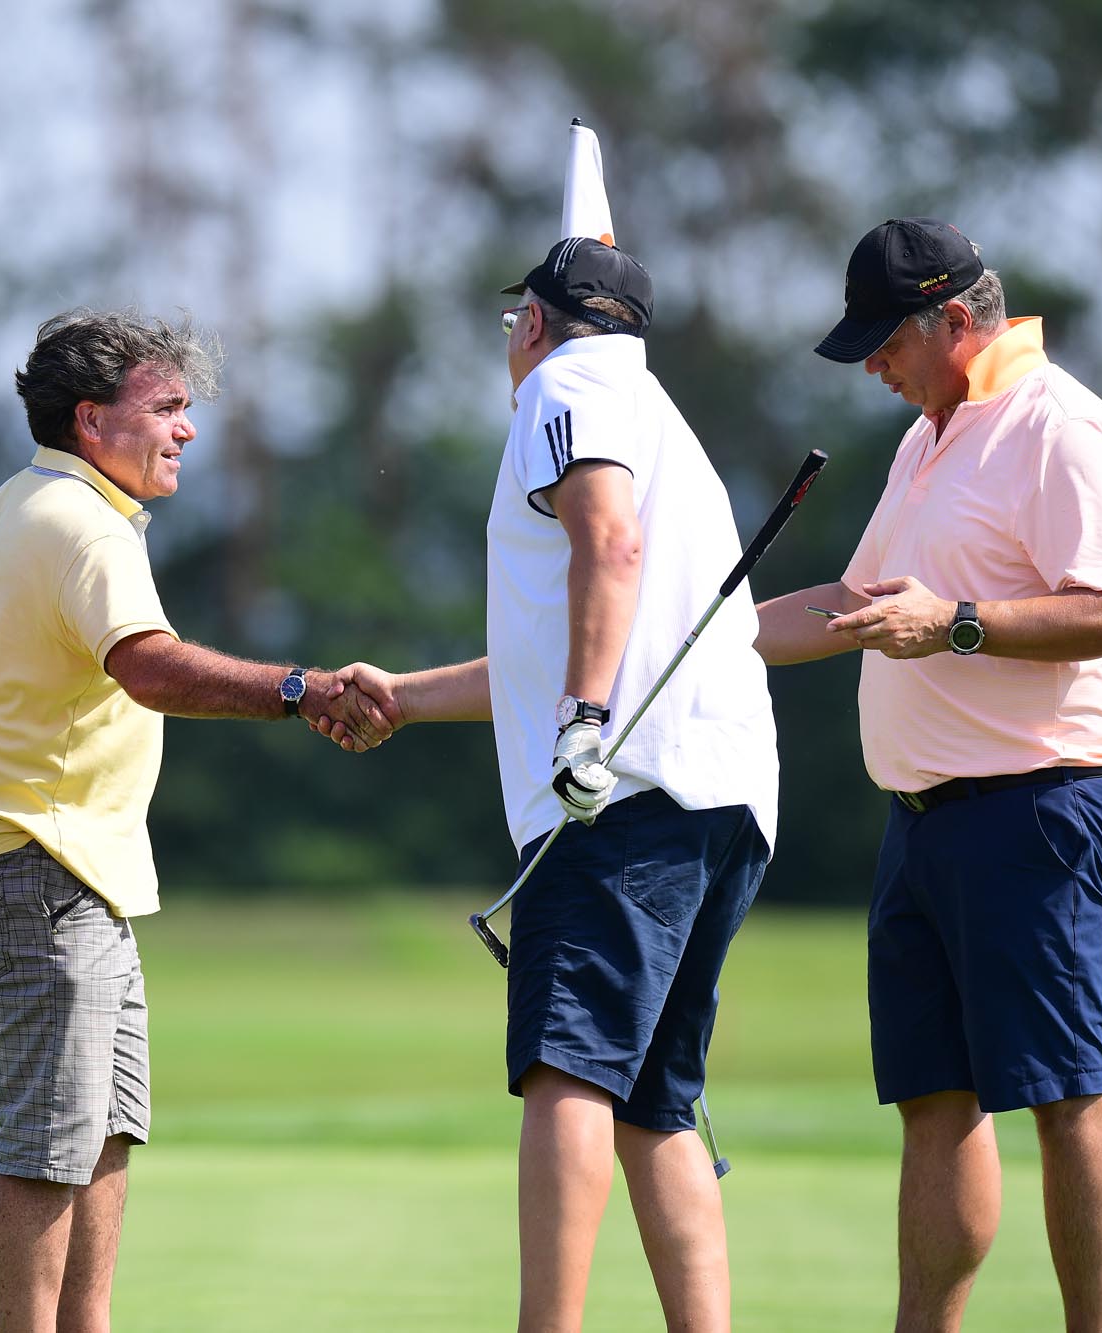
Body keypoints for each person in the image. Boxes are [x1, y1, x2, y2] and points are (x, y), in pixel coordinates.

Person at [328, 238, 780, 1330]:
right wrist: (402, 696)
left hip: (617, 792)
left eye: (507, 325)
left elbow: (606, 548)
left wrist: (580, 729)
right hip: (718, 793)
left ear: (533, 323)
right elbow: (562, 636)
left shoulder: (564, 387)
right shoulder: (659, 414)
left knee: (566, 1071)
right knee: (656, 1102)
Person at [0, 308, 392, 1333]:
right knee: (51, 1143)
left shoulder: (24, 504)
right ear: (92, 419)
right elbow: (149, 666)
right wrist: (299, 686)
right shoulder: (78, 523)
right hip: (33, 857)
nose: (186, 429)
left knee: (100, 1133)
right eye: (166, 408)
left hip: (63, 864)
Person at [754, 217, 1102, 1332]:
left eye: (885, 341)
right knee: (934, 1102)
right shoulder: (930, 433)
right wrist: (698, 640)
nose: (873, 366)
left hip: (1036, 801)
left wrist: (960, 626)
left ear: (952, 319)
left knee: (1065, 1092)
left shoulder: (1057, 426)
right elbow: (854, 602)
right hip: (923, 820)